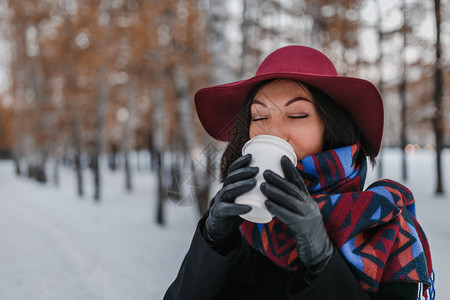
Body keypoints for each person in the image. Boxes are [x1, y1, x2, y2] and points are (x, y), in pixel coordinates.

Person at [164, 45, 434, 300]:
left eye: (296, 116)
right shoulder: (240, 223)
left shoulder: (385, 226)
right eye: (259, 117)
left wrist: (321, 258)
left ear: (330, 129)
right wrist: (212, 244)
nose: (274, 131)